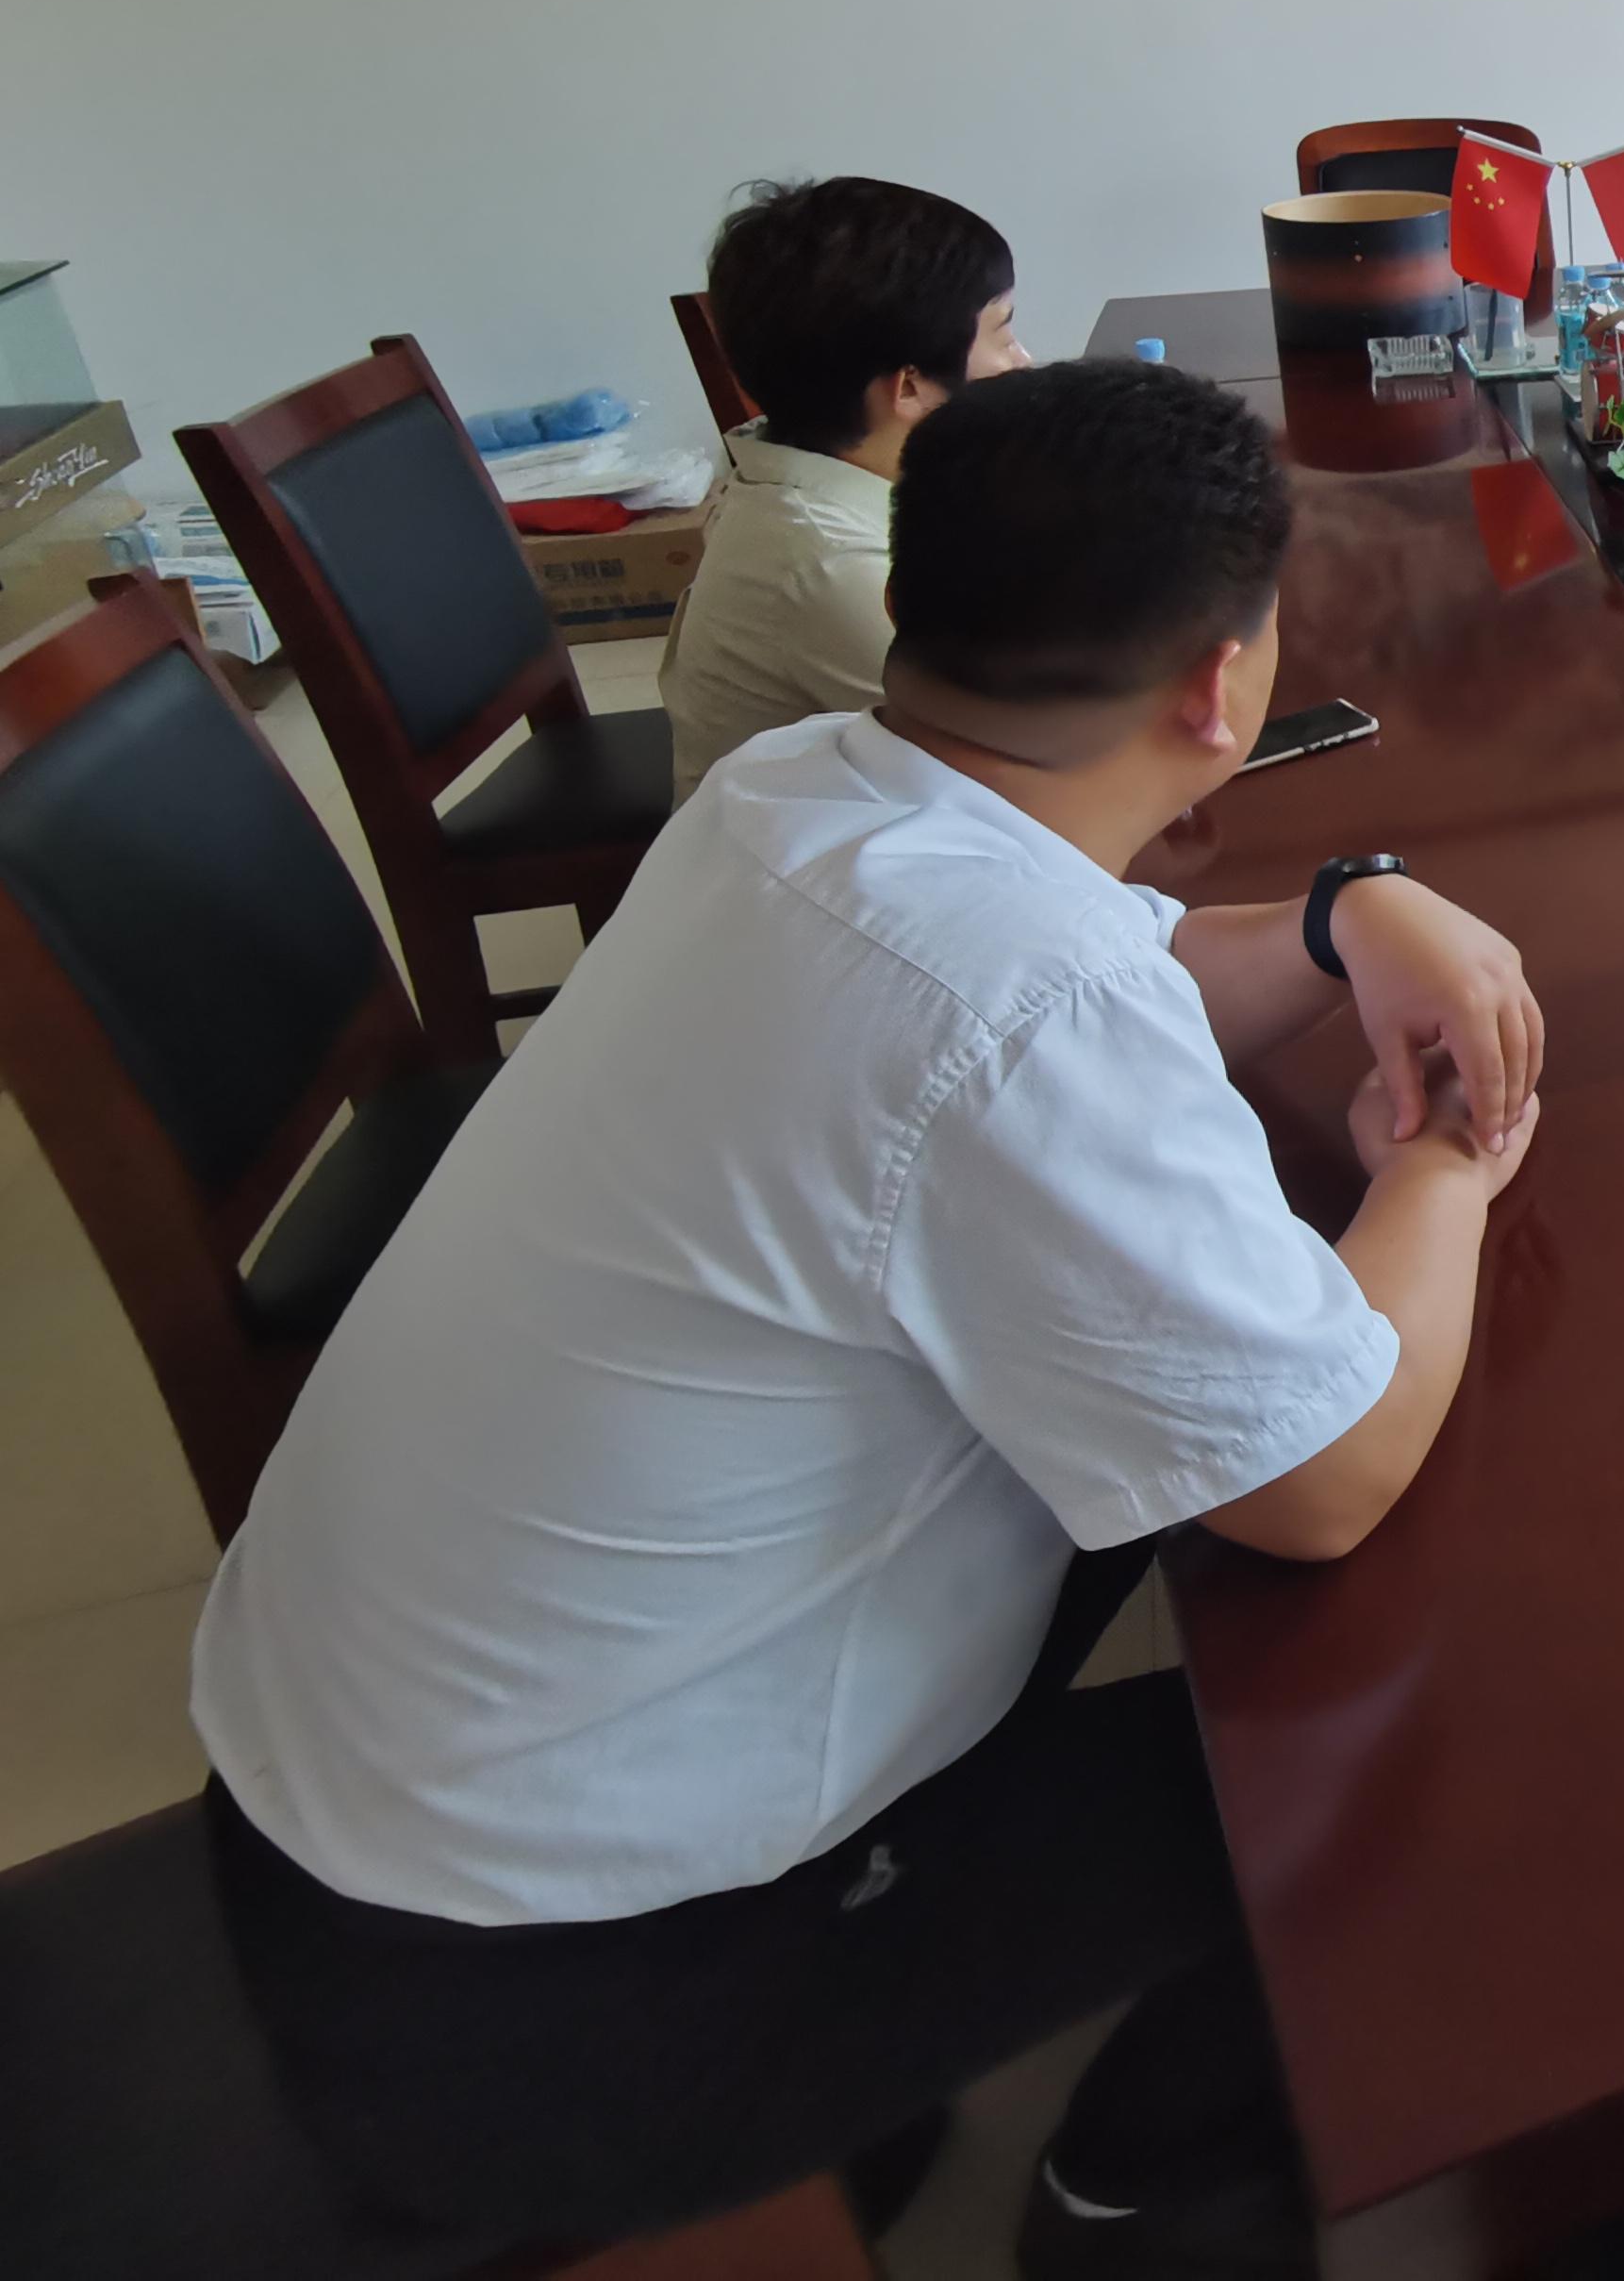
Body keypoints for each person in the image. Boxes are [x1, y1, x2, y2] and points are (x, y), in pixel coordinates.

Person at [192, 357, 1550, 2278]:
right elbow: (1327, 1475)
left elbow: (1089, 976)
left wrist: (1349, 911)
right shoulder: (1009, 1004)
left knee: (1185, 1498)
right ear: (1223, 686)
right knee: (1439, 1743)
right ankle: (1134, 2190)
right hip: (552, 1993)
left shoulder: (801, 786)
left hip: (364, 1805)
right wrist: (1449, 1173)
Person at [661, 175, 1034, 801]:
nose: (1022, 361)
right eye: (1003, 333)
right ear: (909, 386)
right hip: (829, 850)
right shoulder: (830, 565)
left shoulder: (826, 466)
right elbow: (1024, 765)